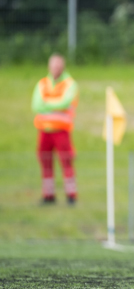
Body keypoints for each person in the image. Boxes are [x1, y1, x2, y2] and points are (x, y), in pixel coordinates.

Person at [32, 54, 79, 204]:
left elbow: (65, 103)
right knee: (45, 162)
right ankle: (48, 195)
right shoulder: (42, 83)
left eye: (58, 66)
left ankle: (71, 194)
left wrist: (46, 104)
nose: (55, 68)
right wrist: (55, 105)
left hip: (61, 130)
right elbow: (36, 105)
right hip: (44, 131)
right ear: (49, 66)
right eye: (53, 65)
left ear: (63, 66)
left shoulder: (70, 84)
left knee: (66, 162)